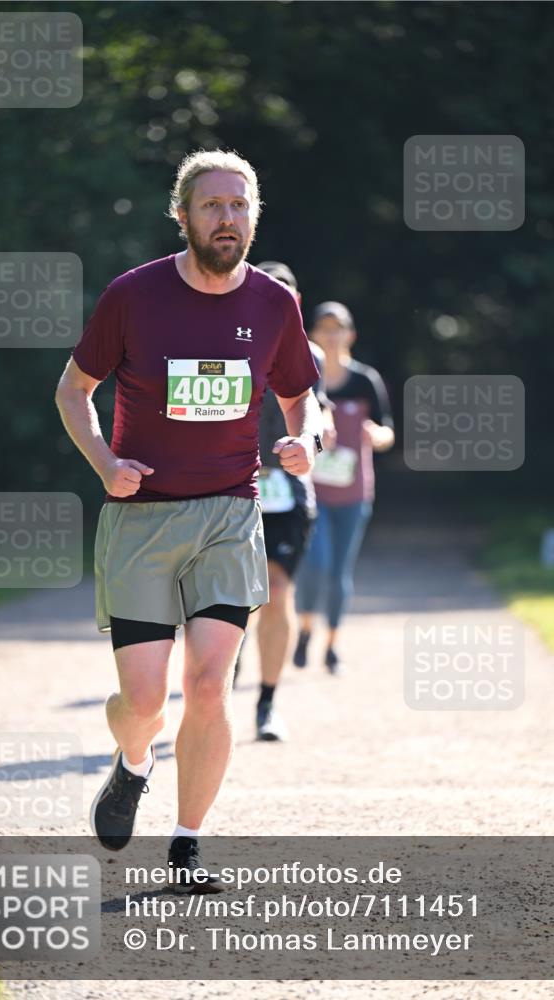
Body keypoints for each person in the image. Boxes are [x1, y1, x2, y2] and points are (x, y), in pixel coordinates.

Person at [54, 149, 322, 891]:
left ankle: (186, 846)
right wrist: (106, 463)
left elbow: (303, 394)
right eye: (212, 206)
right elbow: (72, 391)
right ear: (182, 215)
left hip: (230, 513)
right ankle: (132, 761)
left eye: (239, 206)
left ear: (254, 216)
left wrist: (308, 439)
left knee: (208, 685)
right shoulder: (133, 296)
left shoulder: (274, 303)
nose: (227, 218)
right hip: (140, 516)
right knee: (142, 702)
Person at [240, 260, 332, 742]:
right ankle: (228, 662)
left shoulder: (308, 353)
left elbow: (319, 417)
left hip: (287, 493)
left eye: (287, 292)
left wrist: (317, 438)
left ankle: (267, 701)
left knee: (276, 590)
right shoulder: (230, 342)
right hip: (229, 485)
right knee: (227, 597)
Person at [293, 301, 394, 675]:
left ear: (350, 334)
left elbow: (387, 430)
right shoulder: (306, 375)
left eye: (339, 329)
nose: (332, 337)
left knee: (339, 571)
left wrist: (376, 435)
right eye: (324, 329)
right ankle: (304, 629)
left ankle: (332, 644)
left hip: (354, 493)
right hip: (312, 492)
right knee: (313, 564)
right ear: (313, 335)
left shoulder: (365, 380)